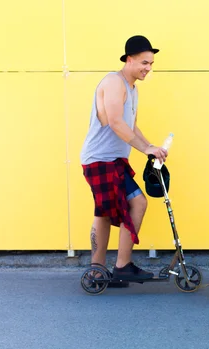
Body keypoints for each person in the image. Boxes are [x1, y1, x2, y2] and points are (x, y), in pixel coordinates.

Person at [80, 35, 167, 283]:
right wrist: (145, 150)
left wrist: (151, 147)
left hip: (114, 160)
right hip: (99, 159)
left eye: (151, 63)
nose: (148, 68)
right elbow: (116, 122)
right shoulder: (113, 82)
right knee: (115, 209)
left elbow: (131, 126)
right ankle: (107, 269)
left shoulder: (132, 89)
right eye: (144, 63)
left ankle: (112, 268)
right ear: (129, 59)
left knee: (123, 207)